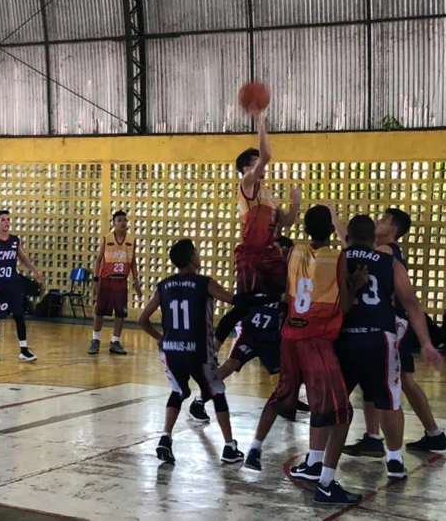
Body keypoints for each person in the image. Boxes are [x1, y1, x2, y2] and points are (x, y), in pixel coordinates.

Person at [241, 205, 365, 506]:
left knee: (283, 394)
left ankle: (255, 447)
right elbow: (345, 305)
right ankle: (325, 484)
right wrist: (357, 283)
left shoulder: (294, 252)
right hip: (316, 340)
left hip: (290, 336)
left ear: (307, 230)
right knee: (340, 413)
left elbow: (289, 290)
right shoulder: (338, 257)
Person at [329, 207, 446, 458]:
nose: (377, 222)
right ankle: (374, 437)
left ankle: (432, 433)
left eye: (383, 220)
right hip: (386, 327)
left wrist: (334, 220)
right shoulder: (383, 253)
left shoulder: (385, 252)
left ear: (393, 230)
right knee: (376, 383)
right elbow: (352, 243)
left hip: (393, 327)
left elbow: (351, 246)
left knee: (401, 382)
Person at [138, 239, 262, 465]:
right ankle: (229, 447)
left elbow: (142, 319)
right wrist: (267, 297)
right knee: (217, 393)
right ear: (193, 258)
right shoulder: (204, 283)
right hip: (198, 351)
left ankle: (165, 439)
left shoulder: (163, 286)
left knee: (177, 391)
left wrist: (160, 338)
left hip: (172, 350)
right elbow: (236, 301)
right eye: (197, 253)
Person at [188, 237, 310, 423]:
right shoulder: (255, 288)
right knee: (230, 365)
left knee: (291, 369)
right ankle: (199, 400)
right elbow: (230, 318)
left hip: (270, 337)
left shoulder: (288, 287)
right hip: (249, 334)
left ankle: (289, 399)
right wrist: (216, 346)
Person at [212, 107, 302, 345]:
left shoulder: (268, 195)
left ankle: (279, 342)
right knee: (242, 305)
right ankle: (215, 346)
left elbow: (287, 222)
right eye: (256, 163)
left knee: (287, 297)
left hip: (271, 254)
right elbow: (266, 156)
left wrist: (296, 203)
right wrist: (260, 122)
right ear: (246, 169)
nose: (262, 167)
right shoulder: (247, 186)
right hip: (251, 255)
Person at [0, 210, 43, 362]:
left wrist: (35, 272)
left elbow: (23, 258)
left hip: (13, 284)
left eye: (8, 219)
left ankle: (23, 350)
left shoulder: (14, 240)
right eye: (3, 220)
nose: (7, 222)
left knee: (19, 316)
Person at [89, 210, 142, 355]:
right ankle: (95, 340)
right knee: (99, 311)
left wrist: (136, 280)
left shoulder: (132, 240)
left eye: (125, 220)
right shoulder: (107, 238)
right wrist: (96, 280)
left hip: (121, 281)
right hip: (106, 279)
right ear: (113, 223)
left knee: (120, 313)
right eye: (119, 220)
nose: (123, 223)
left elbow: (133, 262)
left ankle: (115, 341)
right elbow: (98, 260)